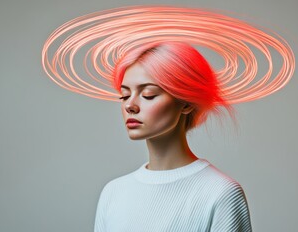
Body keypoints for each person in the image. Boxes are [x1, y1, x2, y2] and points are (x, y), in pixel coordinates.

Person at [94, 42, 252, 231]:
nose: (130, 106)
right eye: (124, 96)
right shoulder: (113, 192)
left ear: (186, 103)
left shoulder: (220, 193)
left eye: (148, 94)